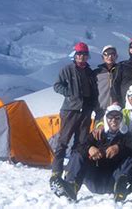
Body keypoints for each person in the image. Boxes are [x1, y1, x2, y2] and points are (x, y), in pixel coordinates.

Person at [54, 105, 132, 202]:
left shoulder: (127, 135)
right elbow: (80, 146)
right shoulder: (97, 134)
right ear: (106, 119)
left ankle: (121, 187)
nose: (114, 121)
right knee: (78, 153)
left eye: (117, 118)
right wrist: (90, 148)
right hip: (95, 178)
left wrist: (119, 148)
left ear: (121, 120)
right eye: (110, 117)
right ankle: (71, 186)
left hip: (114, 180)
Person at [50, 42, 98, 187]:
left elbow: (94, 91)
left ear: (87, 56)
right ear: (75, 55)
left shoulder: (90, 72)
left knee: (80, 143)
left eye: (84, 54)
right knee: (63, 141)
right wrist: (70, 94)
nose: (81, 57)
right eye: (79, 54)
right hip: (70, 110)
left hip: (85, 112)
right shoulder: (67, 69)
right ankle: (56, 172)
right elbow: (57, 85)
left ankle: (71, 171)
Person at [94, 45, 119, 122]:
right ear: (102, 57)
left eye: (112, 54)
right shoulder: (96, 73)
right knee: (99, 132)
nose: (110, 56)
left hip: (117, 109)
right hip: (101, 110)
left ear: (116, 56)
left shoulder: (121, 71)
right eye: (106, 54)